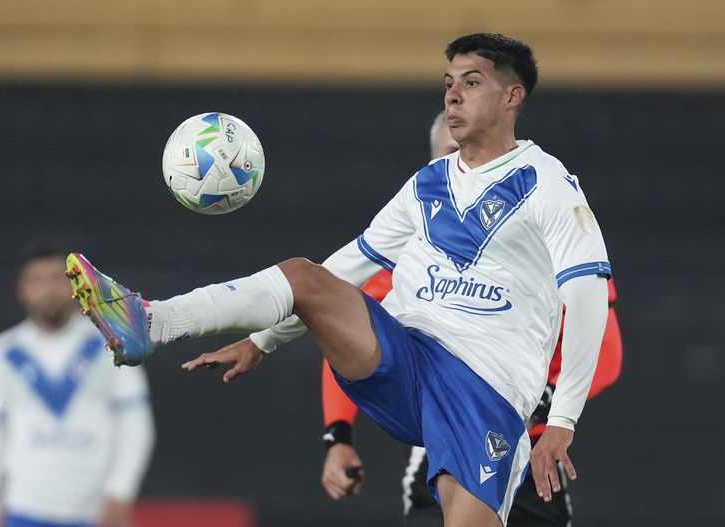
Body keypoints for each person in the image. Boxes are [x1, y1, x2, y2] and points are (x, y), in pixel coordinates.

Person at [66, 33, 611, 527]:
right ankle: (154, 320)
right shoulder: (428, 182)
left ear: (513, 97)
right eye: (449, 84)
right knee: (306, 277)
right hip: (410, 361)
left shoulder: (548, 184)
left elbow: (585, 296)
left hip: (485, 389)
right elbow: (349, 266)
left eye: (472, 83)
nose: (453, 96)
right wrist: (263, 340)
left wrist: (562, 420)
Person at [320, 113, 623, 526]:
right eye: (454, 153)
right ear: (435, 167)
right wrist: (338, 436)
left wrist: (549, 405)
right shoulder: (412, 256)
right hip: (445, 447)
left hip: (531, 459)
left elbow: (605, 349)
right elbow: (348, 332)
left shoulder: (548, 238)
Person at [0, 244, 156, 527]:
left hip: (97, 513)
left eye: (57, 279)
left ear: (75, 284)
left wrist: (121, 489)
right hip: (24, 509)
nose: (48, 290)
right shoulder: (3, 352)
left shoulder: (110, 343)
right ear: (22, 290)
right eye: (37, 281)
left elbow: (136, 423)